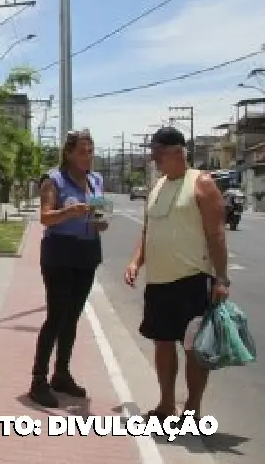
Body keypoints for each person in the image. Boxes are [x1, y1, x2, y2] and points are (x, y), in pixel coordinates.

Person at [124, 126, 228, 422]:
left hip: (192, 280)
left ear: (176, 152)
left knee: (193, 348)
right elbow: (148, 231)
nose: (153, 158)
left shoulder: (202, 183)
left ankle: (192, 411)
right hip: (158, 283)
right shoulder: (157, 187)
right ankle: (166, 405)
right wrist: (135, 262)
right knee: (162, 344)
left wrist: (221, 279)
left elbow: (217, 235)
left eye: (157, 152)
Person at [30, 129, 108, 408]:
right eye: (83, 151)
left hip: (87, 252)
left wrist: (100, 221)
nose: (88, 156)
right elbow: (45, 217)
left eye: (91, 151)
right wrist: (69, 213)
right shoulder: (54, 180)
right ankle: (38, 380)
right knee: (56, 316)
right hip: (59, 253)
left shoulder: (96, 180)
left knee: (73, 317)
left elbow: (100, 217)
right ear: (69, 153)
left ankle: (61, 373)